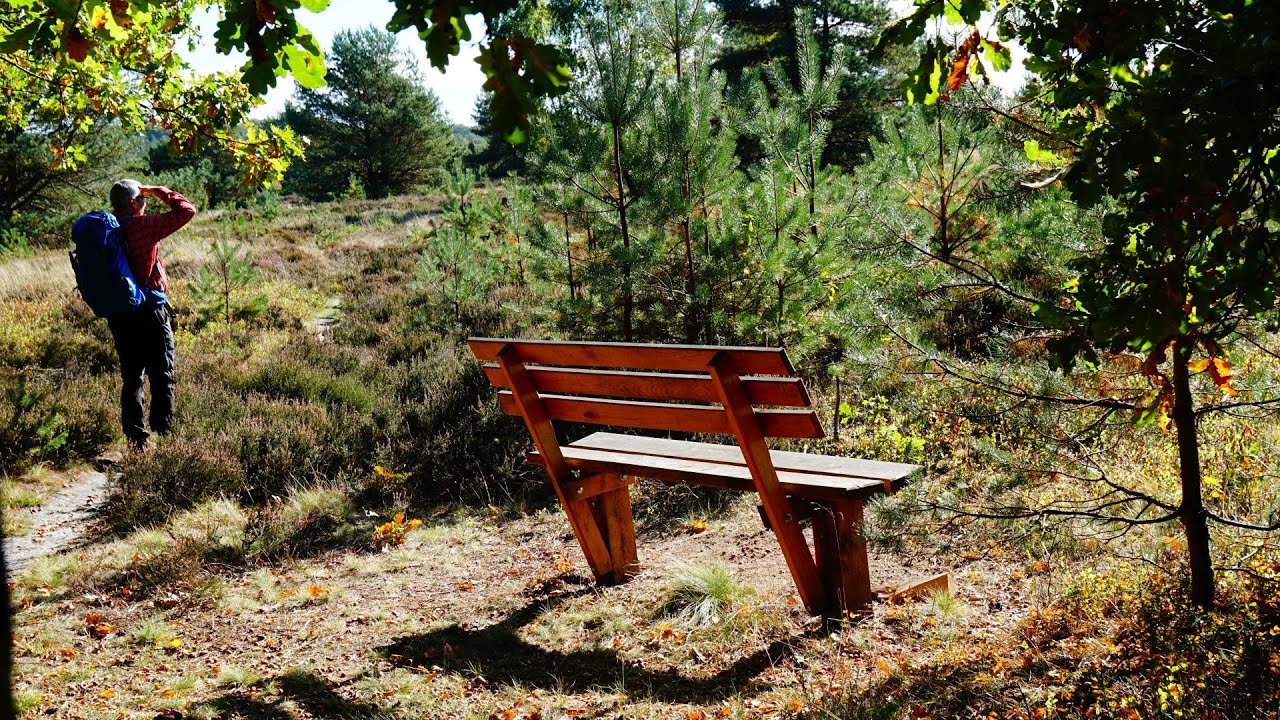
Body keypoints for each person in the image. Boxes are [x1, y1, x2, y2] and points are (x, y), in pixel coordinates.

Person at [107, 179, 196, 450]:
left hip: (120, 313)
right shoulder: (140, 227)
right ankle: (164, 437)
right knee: (162, 374)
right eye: (142, 198)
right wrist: (160, 191)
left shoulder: (109, 229)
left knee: (132, 377)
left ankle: (136, 440)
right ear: (133, 202)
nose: (145, 203)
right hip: (150, 312)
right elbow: (186, 211)